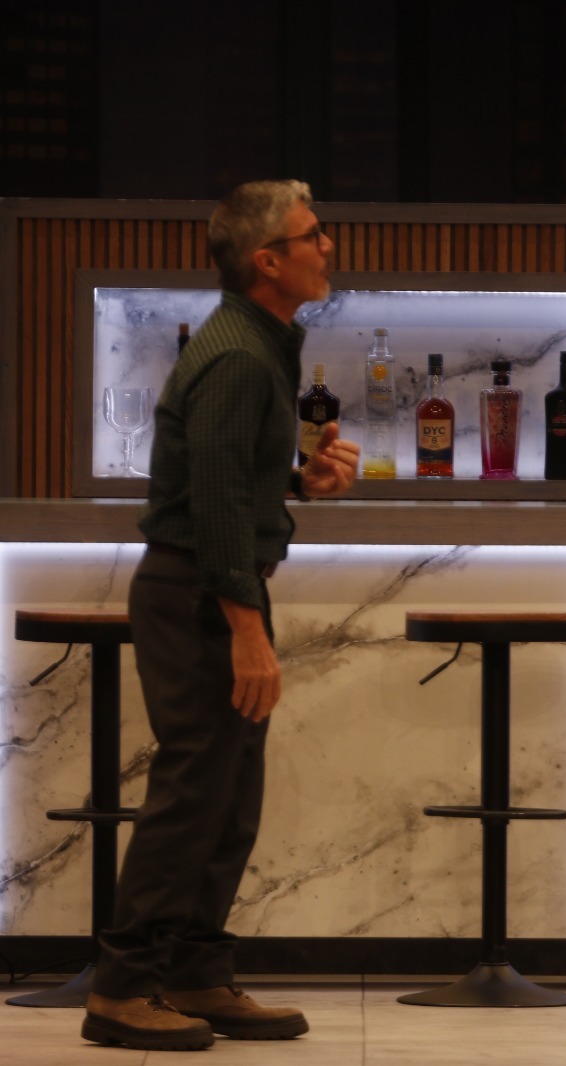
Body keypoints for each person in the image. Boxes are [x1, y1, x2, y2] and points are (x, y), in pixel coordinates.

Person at [82, 181, 360, 1051]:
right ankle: (122, 989)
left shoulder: (259, 343)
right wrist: (246, 629)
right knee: (192, 795)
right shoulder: (239, 355)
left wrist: (298, 480)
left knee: (227, 800)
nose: (328, 246)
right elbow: (210, 503)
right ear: (267, 261)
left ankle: (195, 973)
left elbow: (231, 474)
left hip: (211, 590)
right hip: (197, 597)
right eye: (313, 235)